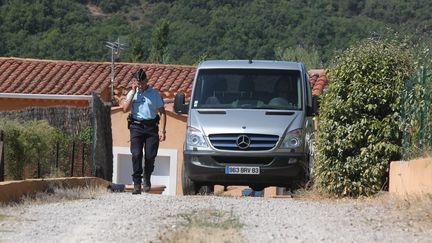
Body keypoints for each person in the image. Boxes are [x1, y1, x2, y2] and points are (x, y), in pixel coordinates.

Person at [122, 68, 166, 194]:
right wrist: (133, 92)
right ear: (135, 82)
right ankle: (136, 183)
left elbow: (162, 113)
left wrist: (162, 131)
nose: (140, 85)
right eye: (138, 83)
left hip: (151, 127)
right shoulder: (132, 93)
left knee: (150, 156)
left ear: (147, 81)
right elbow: (125, 109)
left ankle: (147, 176)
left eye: (142, 83)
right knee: (136, 154)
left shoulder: (154, 94)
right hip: (136, 127)